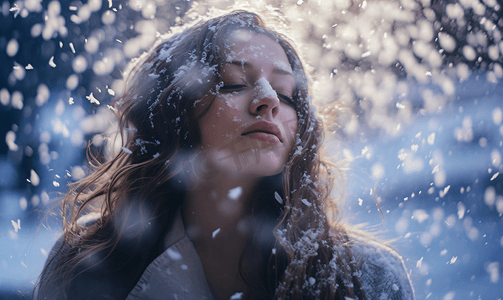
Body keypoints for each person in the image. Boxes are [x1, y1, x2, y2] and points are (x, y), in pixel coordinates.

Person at [35, 10, 415, 300]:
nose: (268, 100)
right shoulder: (86, 261)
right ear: (173, 114)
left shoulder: (366, 277)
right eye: (234, 83)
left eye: (285, 93)